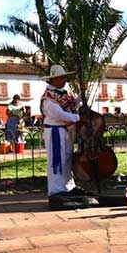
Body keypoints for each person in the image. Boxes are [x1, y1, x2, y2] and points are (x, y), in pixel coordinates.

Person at [40, 65, 81, 209]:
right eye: (62, 77)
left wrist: (82, 94)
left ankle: (68, 187)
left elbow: (72, 105)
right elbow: (58, 114)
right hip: (55, 131)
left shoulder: (64, 93)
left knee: (67, 159)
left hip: (65, 131)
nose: (64, 79)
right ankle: (56, 191)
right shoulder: (48, 97)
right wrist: (77, 118)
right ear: (55, 79)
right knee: (56, 161)